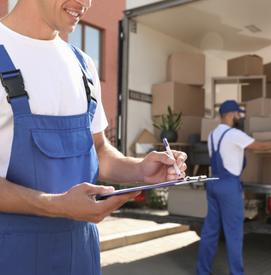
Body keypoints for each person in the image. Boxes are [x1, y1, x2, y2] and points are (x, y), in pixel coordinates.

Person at [0, 0, 187, 274]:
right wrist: (56, 206)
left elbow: (98, 149)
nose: (86, 3)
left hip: (82, 254)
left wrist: (140, 169)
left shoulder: (83, 64)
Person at [197, 100, 271, 275]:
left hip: (213, 183)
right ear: (230, 114)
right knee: (233, 233)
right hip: (228, 186)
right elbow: (262, 147)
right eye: (238, 114)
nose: (240, 117)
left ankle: (203, 272)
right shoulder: (234, 134)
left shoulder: (212, 135)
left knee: (210, 231)